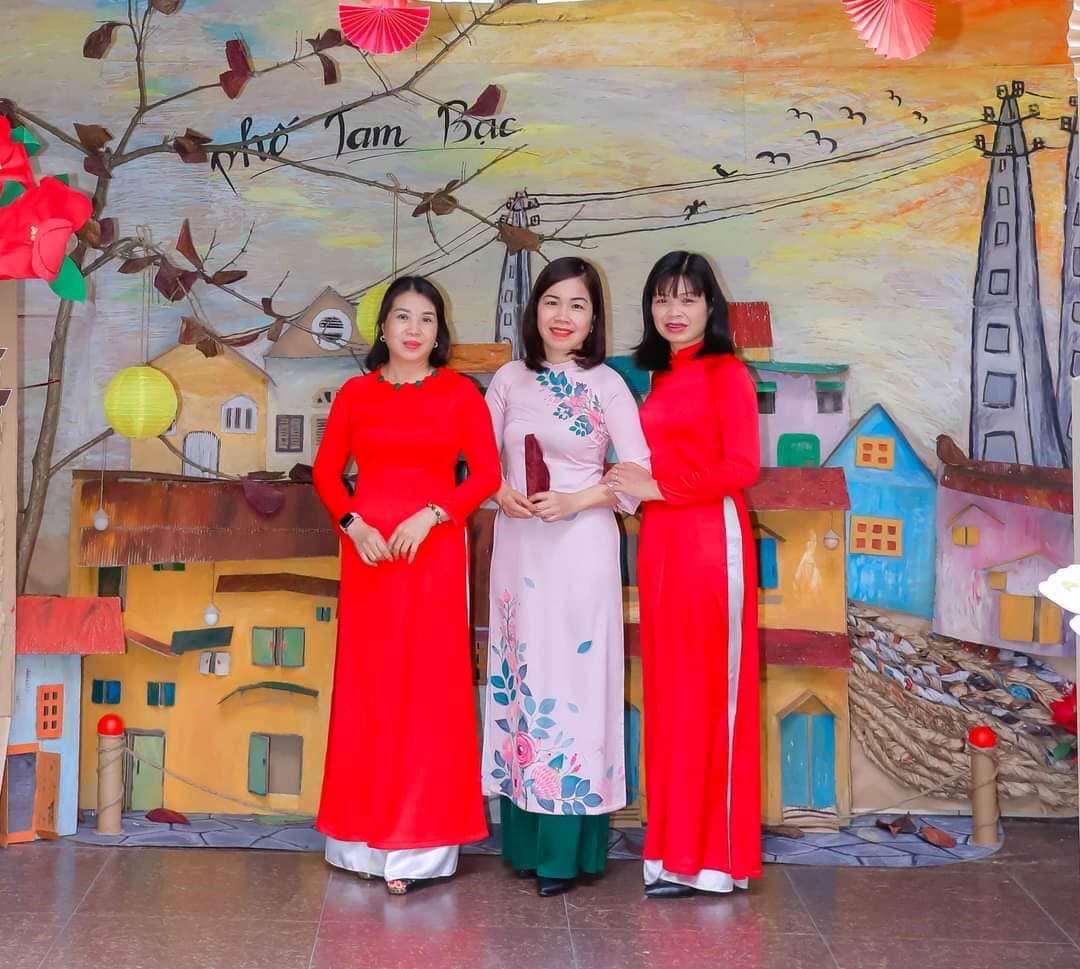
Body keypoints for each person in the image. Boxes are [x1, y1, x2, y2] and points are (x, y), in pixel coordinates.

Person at [312, 275, 501, 895]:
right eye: (402, 317)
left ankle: (418, 850)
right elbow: (326, 474)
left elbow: (485, 474)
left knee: (429, 693)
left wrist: (435, 514)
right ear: (384, 328)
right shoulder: (356, 394)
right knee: (368, 689)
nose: (414, 329)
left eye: (426, 318)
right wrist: (353, 524)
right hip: (368, 558)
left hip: (434, 555)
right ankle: (360, 843)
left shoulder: (459, 393)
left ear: (439, 330)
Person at [481, 256, 651, 897]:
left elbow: (638, 472)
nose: (562, 316)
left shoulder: (608, 385)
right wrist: (499, 491)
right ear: (535, 311)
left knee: (575, 691)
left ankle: (565, 854)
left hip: (581, 550)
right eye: (552, 302)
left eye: (577, 305)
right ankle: (524, 845)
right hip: (520, 549)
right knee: (523, 682)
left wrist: (577, 500)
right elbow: (476, 459)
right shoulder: (508, 379)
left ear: (593, 318)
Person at [605, 251, 761, 898]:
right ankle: (671, 855)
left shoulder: (727, 372)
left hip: (709, 543)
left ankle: (713, 861)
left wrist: (659, 487)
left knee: (706, 696)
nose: (673, 310)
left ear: (710, 307)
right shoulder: (660, 377)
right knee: (669, 697)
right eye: (662, 298)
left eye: (688, 298)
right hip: (662, 543)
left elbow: (742, 467)